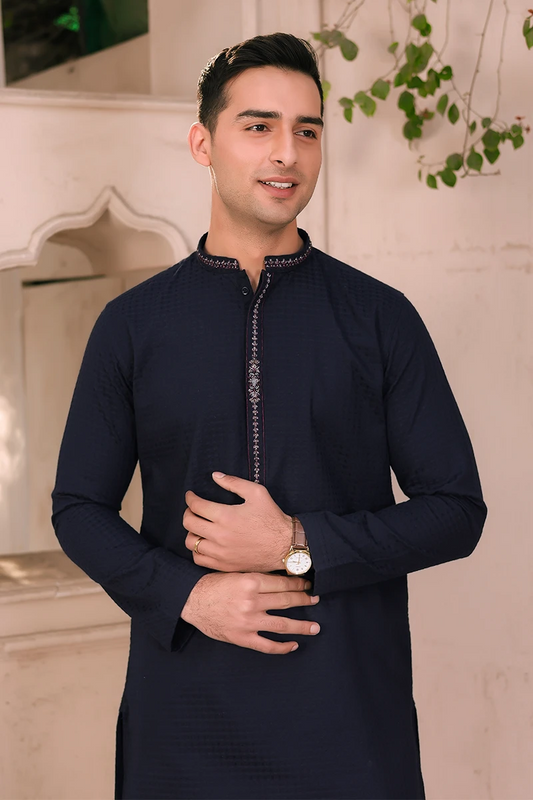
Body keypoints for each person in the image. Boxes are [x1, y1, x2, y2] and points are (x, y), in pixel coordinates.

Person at [52, 32, 487, 800]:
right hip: (182, 723)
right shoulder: (132, 325)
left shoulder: (379, 318)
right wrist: (187, 595)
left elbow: (455, 511)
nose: (286, 152)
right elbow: (78, 507)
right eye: (258, 126)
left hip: (349, 725)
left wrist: (297, 544)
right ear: (203, 143)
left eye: (306, 130)